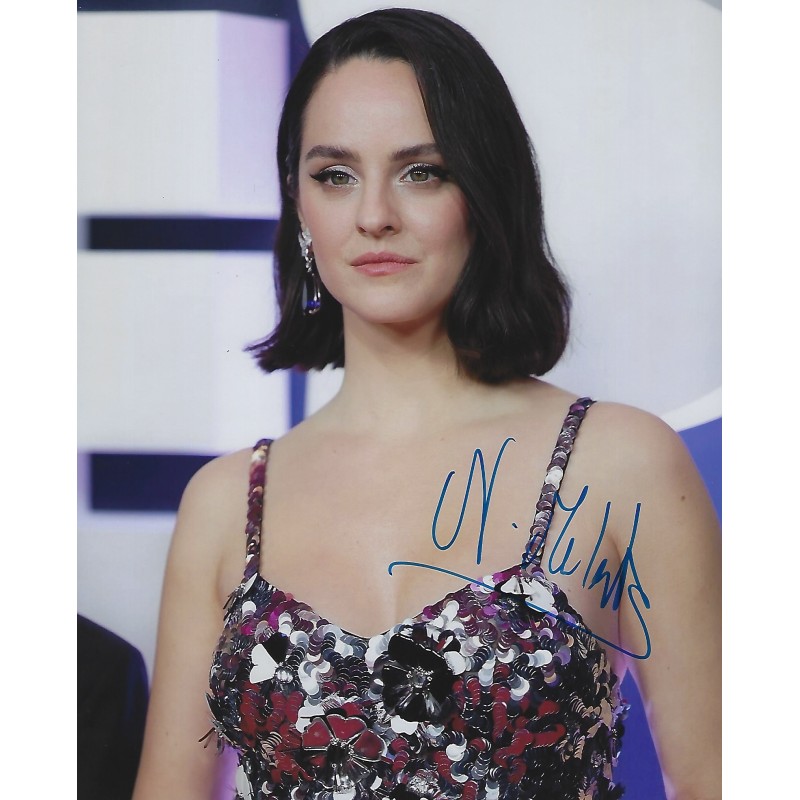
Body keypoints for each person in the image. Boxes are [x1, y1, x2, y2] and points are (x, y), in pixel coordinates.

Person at [132, 8, 721, 800]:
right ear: (298, 205)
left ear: (484, 191)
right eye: (335, 174)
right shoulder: (225, 504)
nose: (374, 214)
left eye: (422, 171)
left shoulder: (621, 464)